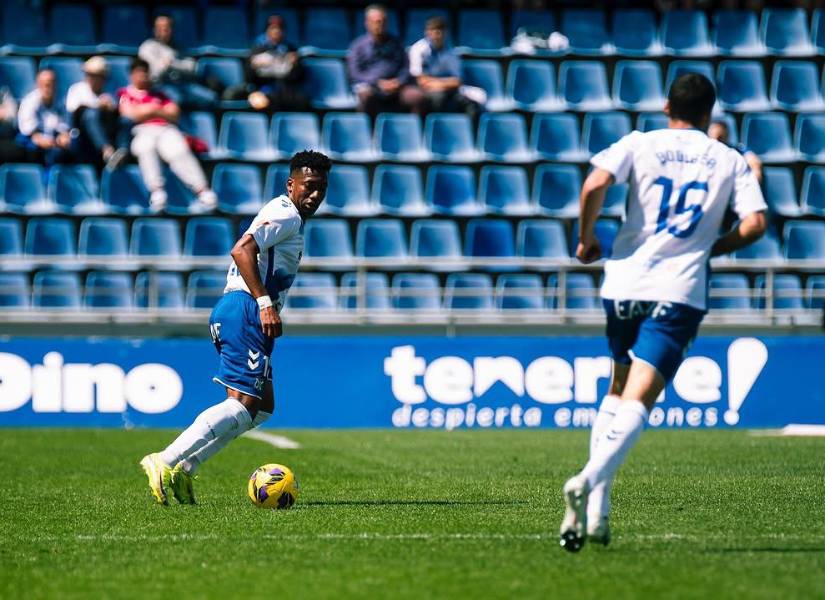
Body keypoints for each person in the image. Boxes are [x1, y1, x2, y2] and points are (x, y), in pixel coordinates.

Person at [559, 73, 768, 552]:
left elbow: (595, 183)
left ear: (666, 106)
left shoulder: (640, 142)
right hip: (678, 288)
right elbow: (756, 223)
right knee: (640, 397)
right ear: (709, 113)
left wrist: (586, 239)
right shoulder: (727, 158)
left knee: (617, 385)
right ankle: (587, 479)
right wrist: (713, 247)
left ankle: (598, 513)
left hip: (624, 280)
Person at [139, 150, 332, 505]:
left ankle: (186, 468)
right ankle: (164, 460)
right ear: (291, 185)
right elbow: (241, 250)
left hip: (245, 311)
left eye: (321, 188)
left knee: (261, 407)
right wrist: (264, 303)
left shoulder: (290, 217)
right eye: (309, 186)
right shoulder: (285, 213)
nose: (315, 194)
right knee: (242, 403)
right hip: (245, 308)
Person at [118, 58, 217, 212]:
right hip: (141, 131)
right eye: (139, 72)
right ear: (131, 75)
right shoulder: (125, 93)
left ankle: (203, 191)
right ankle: (157, 192)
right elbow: (130, 114)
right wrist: (156, 109)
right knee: (145, 148)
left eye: (145, 72)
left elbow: (174, 114)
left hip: (166, 129)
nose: (143, 75)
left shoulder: (160, 93)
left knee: (179, 150)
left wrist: (148, 110)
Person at [347, 4, 425, 117]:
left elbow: (406, 67)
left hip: (397, 88)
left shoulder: (396, 44)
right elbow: (355, 73)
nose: (379, 25)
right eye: (376, 22)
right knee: (365, 96)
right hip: (372, 87)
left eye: (382, 21)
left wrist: (398, 82)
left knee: (417, 97)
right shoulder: (358, 46)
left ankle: (413, 128)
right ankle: (369, 128)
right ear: (367, 23)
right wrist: (377, 82)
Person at [408, 16, 483, 117]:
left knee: (472, 104)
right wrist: (444, 83)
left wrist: (437, 84)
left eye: (438, 32)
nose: (435, 36)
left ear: (445, 33)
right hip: (423, 90)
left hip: (447, 90)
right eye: (431, 31)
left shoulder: (451, 52)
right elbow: (421, 81)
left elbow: (457, 81)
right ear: (426, 32)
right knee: (438, 98)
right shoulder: (418, 49)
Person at [138, 15, 218, 109]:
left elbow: (193, 67)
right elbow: (154, 74)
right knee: (178, 99)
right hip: (160, 87)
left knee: (211, 98)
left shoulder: (178, 47)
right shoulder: (147, 47)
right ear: (154, 29)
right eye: (160, 27)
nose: (163, 30)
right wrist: (172, 66)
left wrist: (172, 64)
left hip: (183, 84)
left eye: (167, 27)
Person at [66, 56, 129, 170]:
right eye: (90, 74)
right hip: (83, 132)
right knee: (91, 115)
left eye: (97, 76)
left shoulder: (110, 90)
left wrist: (110, 108)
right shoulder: (77, 89)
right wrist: (98, 106)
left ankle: (121, 152)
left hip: (106, 127)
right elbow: (73, 112)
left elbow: (117, 110)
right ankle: (107, 151)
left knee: (126, 120)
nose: (92, 78)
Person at [240, 15, 310, 112]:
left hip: (285, 92)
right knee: (261, 101)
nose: (276, 31)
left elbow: (299, 78)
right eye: (273, 28)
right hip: (263, 90)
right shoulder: (257, 50)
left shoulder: (291, 50)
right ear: (267, 30)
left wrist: (295, 65)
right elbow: (248, 78)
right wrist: (254, 65)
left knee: (302, 100)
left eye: (280, 28)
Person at [16, 69, 73, 166]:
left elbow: (64, 129)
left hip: (53, 140)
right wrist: (41, 140)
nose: (48, 87)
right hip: (31, 140)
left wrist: (63, 137)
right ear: (38, 84)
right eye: (45, 84)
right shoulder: (29, 102)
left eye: (51, 83)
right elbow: (30, 132)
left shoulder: (62, 102)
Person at [708, 119, 763, 184]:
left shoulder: (736, 149)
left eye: (720, 138)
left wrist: (751, 186)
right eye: (715, 138)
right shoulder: (704, 152)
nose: (717, 141)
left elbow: (755, 162)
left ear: (726, 133)